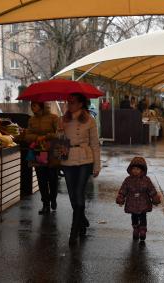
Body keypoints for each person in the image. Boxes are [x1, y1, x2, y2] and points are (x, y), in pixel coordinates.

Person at [60, 93, 101, 246]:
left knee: (79, 192)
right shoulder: (63, 119)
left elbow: (95, 145)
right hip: (68, 159)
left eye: (73, 101)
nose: (69, 104)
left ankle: (74, 230)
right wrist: (59, 131)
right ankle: (82, 220)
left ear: (81, 103)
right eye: (68, 101)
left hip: (85, 159)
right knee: (72, 196)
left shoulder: (90, 120)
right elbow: (59, 141)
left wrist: (97, 165)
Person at [24, 102, 59, 215]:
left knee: (53, 178)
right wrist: (36, 137)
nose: (32, 107)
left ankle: (53, 198)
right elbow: (27, 136)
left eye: (35, 104)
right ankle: (45, 204)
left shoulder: (53, 118)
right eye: (32, 105)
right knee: (41, 178)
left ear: (41, 105)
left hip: (53, 151)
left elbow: (59, 133)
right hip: (39, 152)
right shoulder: (31, 120)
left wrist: (46, 136)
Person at [116, 157, 161, 241]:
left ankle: (143, 230)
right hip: (132, 203)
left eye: (137, 169)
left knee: (143, 216)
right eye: (134, 169)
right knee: (134, 217)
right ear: (131, 169)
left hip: (143, 203)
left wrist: (155, 198)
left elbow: (151, 190)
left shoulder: (146, 180)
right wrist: (121, 198)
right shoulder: (128, 180)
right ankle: (135, 229)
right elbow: (123, 190)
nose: (135, 171)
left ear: (142, 170)